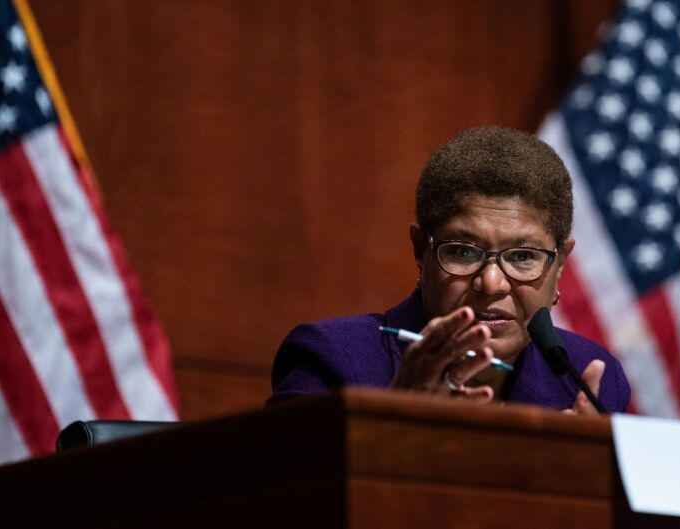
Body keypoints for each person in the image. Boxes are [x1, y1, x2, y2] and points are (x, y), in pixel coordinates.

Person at [270, 127, 630, 414]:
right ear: (420, 252)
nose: (491, 283)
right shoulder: (334, 359)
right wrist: (395, 424)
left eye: (523, 257)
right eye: (462, 251)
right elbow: (288, 500)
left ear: (561, 263)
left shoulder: (588, 378)